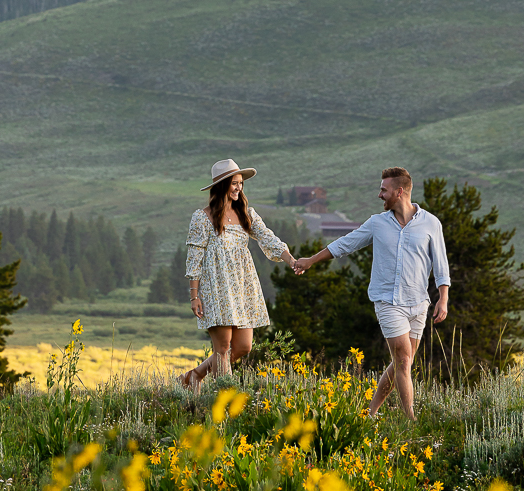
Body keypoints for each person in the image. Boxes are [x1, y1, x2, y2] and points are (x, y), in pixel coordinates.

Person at [293, 166, 449, 419]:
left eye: (383, 190)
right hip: (387, 301)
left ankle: (370, 412)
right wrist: (311, 260)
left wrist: (443, 298)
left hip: (419, 303)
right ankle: (411, 420)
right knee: (402, 360)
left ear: (399, 192)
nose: (380, 195)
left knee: (403, 363)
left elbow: (441, 263)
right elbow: (345, 243)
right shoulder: (377, 223)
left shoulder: (431, 223)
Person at [180, 159, 297, 390]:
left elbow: (268, 239)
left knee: (243, 347)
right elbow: (194, 259)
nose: (238, 188)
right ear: (222, 185)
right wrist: (195, 296)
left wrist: (291, 260)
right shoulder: (202, 218)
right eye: (234, 183)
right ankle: (225, 398)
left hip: (243, 287)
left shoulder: (246, 213)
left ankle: (193, 376)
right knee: (222, 349)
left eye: (241, 184)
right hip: (216, 288)